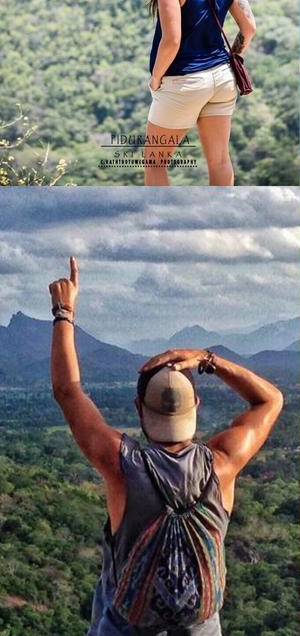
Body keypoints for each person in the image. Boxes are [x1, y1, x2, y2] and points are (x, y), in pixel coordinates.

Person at [48, 257, 284, 634]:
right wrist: (209, 359)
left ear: (139, 409)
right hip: (200, 623)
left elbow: (67, 391)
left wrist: (64, 312)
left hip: (128, 623)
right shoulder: (222, 463)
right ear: (196, 408)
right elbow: (270, 400)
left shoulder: (122, 465)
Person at [144, 0, 257, 186]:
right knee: (219, 160)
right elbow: (250, 28)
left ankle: (162, 228)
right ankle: (222, 226)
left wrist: (156, 78)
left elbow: (172, 41)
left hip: (184, 81)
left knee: (155, 162)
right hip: (222, 79)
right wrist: (235, 57)